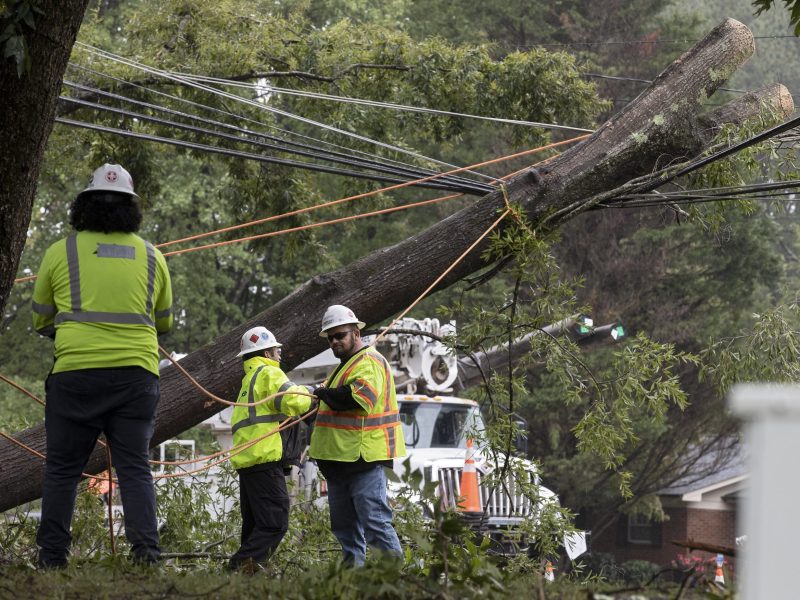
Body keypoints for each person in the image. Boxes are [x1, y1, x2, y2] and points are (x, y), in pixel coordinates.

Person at [31, 163, 173, 568]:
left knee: (62, 469)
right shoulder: (153, 256)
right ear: (132, 209)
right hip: (137, 376)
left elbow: (41, 317)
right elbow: (162, 322)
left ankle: (52, 559)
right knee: (134, 468)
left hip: (76, 375)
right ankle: (147, 556)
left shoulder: (61, 251)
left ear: (84, 206)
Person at [308, 305, 406, 566]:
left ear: (356, 332)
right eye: (330, 338)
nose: (334, 341)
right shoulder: (344, 367)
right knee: (345, 530)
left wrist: (322, 393)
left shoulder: (369, 361)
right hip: (340, 461)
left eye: (339, 335)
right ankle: (352, 583)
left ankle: (394, 580)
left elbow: (357, 398)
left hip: (365, 459)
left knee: (374, 523)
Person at [228, 326, 315, 571]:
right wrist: (312, 393)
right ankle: (235, 570)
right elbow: (294, 400)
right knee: (275, 522)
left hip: (249, 462)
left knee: (255, 526)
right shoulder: (269, 373)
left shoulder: (249, 380)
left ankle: (245, 581)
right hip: (263, 458)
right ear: (266, 352)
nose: (280, 355)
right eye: (276, 350)